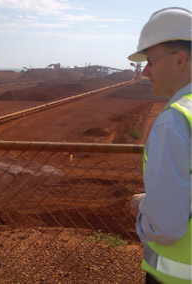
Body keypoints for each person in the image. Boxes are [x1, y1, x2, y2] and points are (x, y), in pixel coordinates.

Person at [128, 7, 191, 284]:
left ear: (180, 60)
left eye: (150, 61)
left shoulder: (174, 122)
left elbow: (165, 227)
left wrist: (143, 208)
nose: (145, 72)